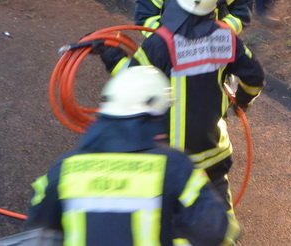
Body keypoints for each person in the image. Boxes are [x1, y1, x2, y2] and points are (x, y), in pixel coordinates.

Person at [27, 66, 238, 245]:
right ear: (155, 116)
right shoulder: (174, 168)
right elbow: (215, 230)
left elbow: (37, 232)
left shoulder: (63, 170)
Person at [130, 0, 265, 207]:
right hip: (213, 154)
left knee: (165, 222)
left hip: (167, 159)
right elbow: (254, 78)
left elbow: (130, 83)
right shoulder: (226, 39)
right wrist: (242, 100)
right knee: (219, 224)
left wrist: (109, 54)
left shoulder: (160, 43)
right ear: (214, 5)